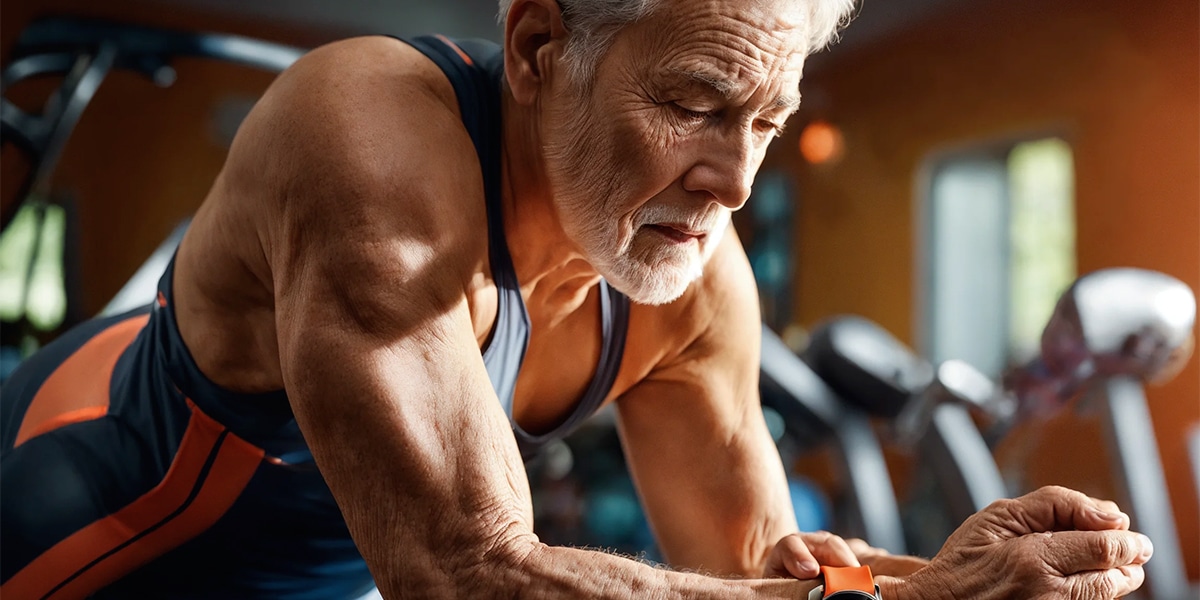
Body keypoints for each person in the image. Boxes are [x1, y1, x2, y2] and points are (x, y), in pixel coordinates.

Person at [0, 0, 1153, 598]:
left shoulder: (693, 278)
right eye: (698, 99)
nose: (737, 179)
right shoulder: (364, 133)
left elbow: (759, 569)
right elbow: (468, 576)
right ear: (542, 41)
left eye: (768, 121)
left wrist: (967, 583)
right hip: (92, 535)